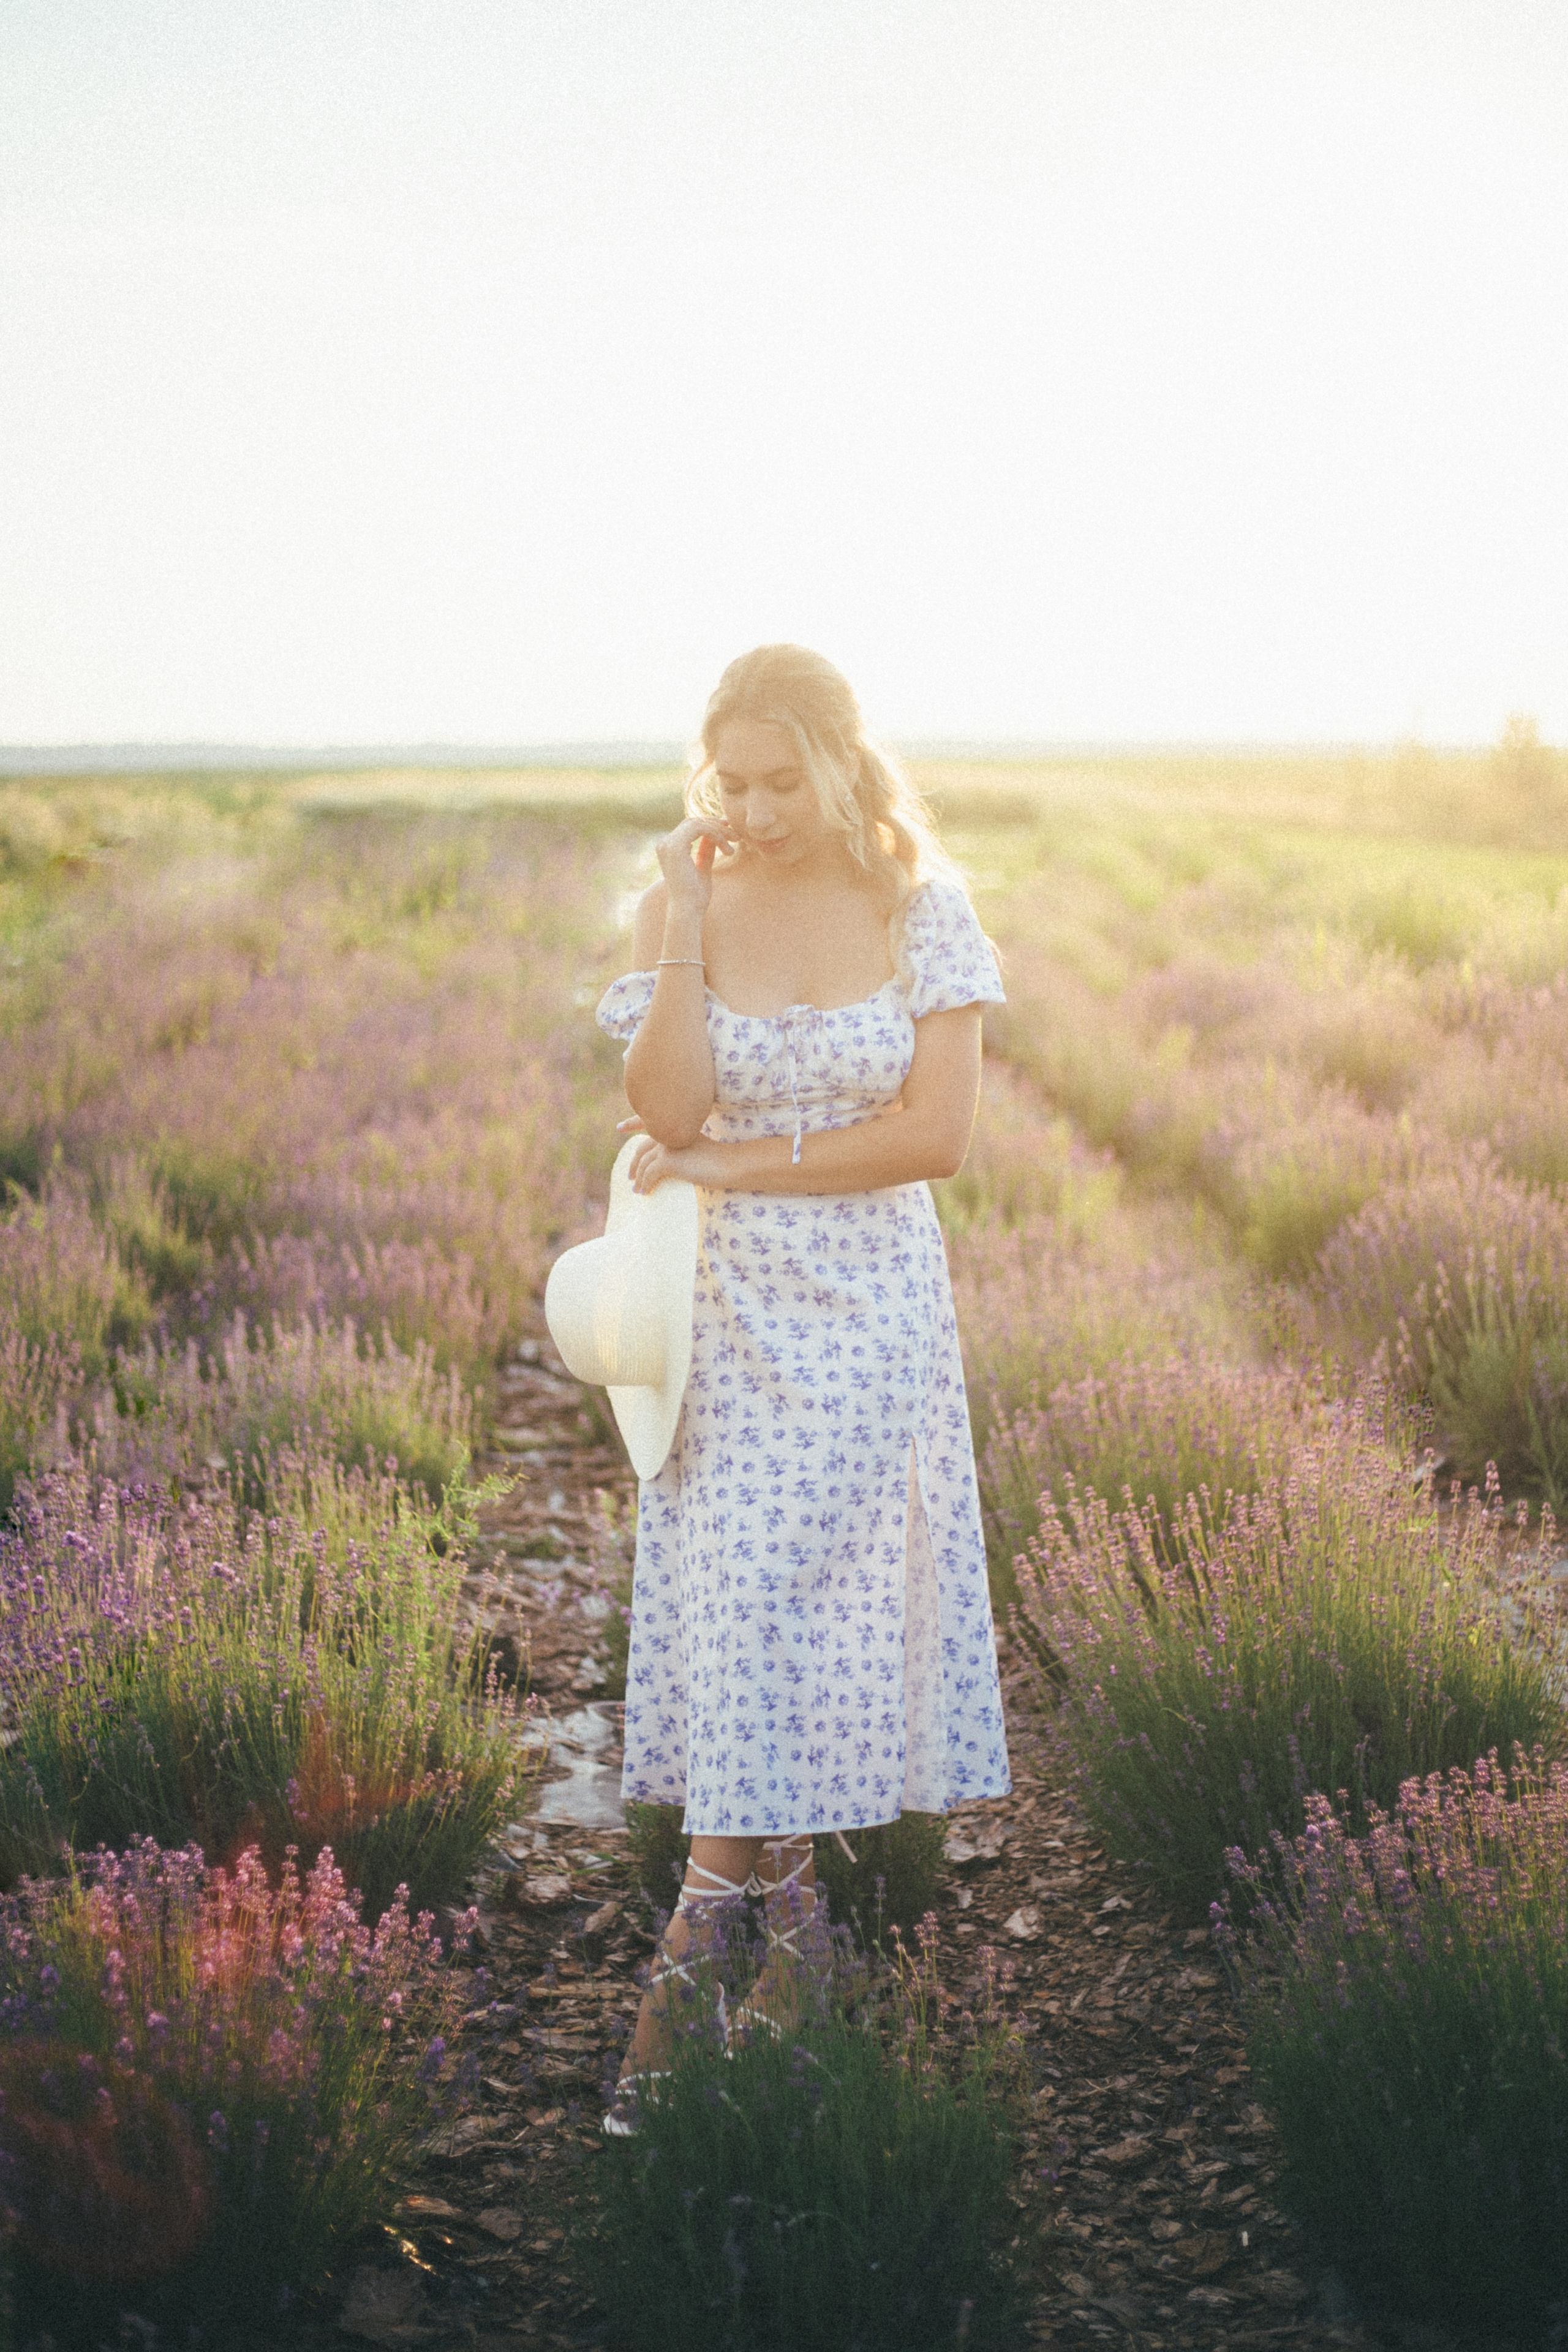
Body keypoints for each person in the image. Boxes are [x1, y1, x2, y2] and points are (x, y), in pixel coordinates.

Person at [595, 644, 1010, 2130]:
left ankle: (718, 1946)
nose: (755, 808)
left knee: (815, 1614)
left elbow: (932, 1136)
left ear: (841, 765)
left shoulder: (922, 911)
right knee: (742, 1613)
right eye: (731, 781)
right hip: (720, 1322)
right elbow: (663, 1108)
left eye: (782, 779)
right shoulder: (681, 907)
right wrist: (689, 926)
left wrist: (737, 1166)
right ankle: (790, 1954)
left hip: (870, 1323)